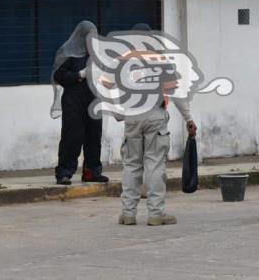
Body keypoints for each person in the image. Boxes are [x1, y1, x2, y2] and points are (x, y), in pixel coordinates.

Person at [118, 24, 197, 226]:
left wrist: (121, 114)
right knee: (154, 164)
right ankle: (155, 213)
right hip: (154, 116)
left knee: (131, 164)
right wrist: (188, 119)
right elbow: (176, 93)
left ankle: (128, 213)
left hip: (132, 117)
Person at [51, 20, 109, 185]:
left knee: (94, 135)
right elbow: (58, 76)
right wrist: (80, 74)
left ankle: (92, 171)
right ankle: (64, 172)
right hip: (73, 99)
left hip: (93, 98)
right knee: (72, 136)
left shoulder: (97, 54)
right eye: (89, 36)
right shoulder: (68, 52)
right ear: (81, 36)